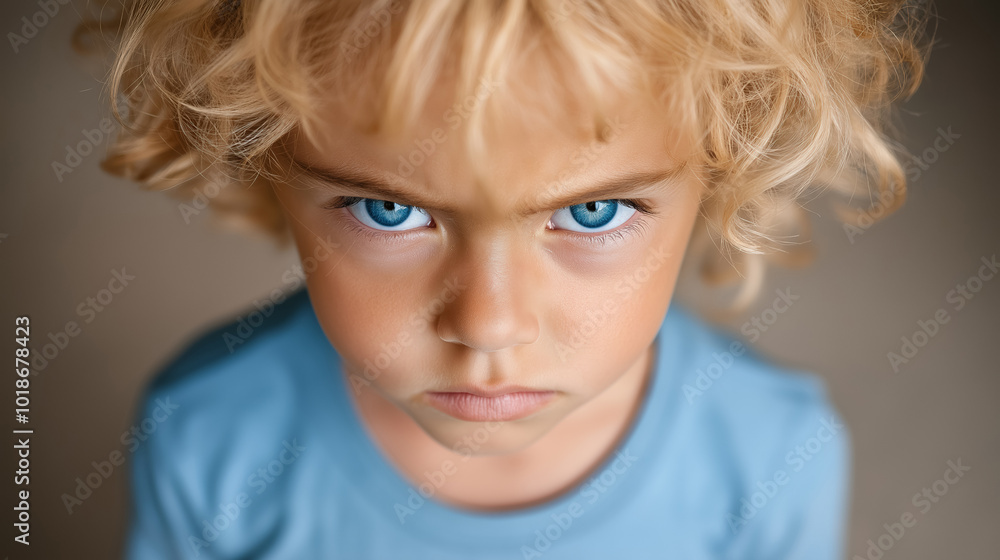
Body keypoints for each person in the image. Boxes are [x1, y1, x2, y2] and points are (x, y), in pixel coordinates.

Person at [92, 0, 928, 557]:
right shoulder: (205, 437)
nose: (490, 326)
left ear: (723, 176)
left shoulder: (775, 455)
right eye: (389, 213)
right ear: (264, 164)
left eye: (593, 213)